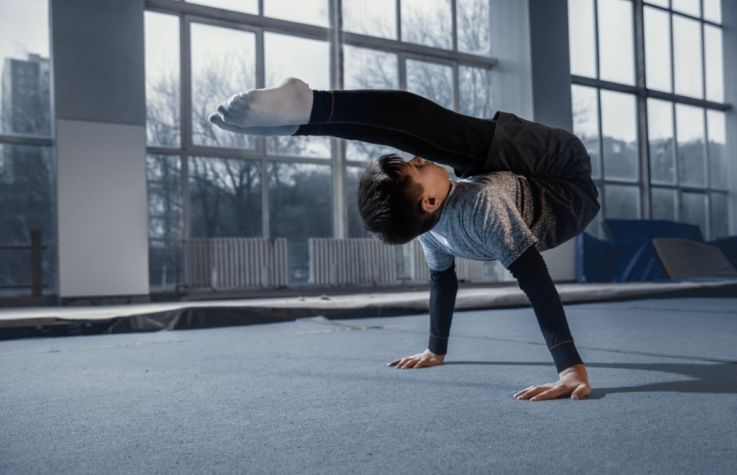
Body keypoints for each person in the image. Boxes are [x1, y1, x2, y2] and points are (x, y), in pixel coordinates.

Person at [209, 78, 600, 401]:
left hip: (528, 184)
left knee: (440, 138)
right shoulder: (482, 205)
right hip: (566, 182)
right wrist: (568, 366)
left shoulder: (432, 229)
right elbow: (535, 280)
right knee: (432, 124)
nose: (421, 157)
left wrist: (435, 348)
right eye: (418, 167)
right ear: (429, 201)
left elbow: (442, 282)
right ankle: (311, 109)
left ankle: (300, 123)